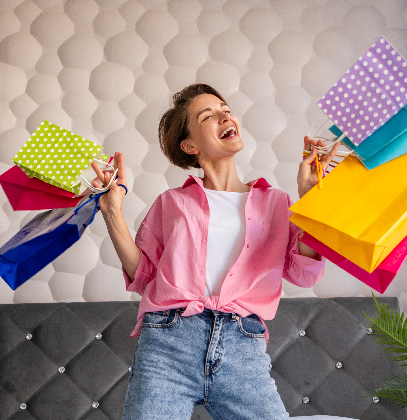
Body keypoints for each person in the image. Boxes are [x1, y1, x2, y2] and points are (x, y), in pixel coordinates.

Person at [90, 83, 338, 419]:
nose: (225, 115)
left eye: (225, 109)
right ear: (190, 145)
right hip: (168, 345)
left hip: (243, 349)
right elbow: (145, 277)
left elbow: (303, 272)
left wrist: (312, 199)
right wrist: (111, 212)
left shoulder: (276, 202)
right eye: (209, 115)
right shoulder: (171, 203)